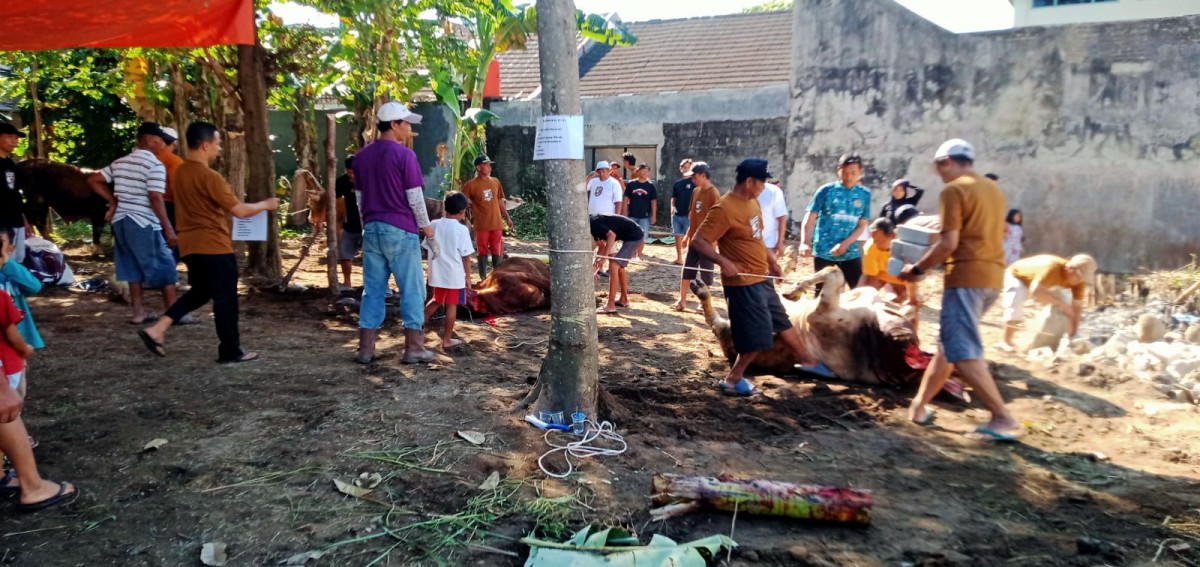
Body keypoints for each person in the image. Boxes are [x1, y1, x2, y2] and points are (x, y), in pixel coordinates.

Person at [900, 139, 1018, 441]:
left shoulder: (954, 190)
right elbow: (1001, 231)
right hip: (992, 277)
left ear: (948, 161)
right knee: (947, 346)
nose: (938, 173)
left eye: (939, 166)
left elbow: (949, 243)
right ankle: (919, 407)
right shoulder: (992, 190)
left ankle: (1002, 417)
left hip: (966, 277)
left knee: (962, 352)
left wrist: (916, 270)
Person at [136, 122, 278, 363]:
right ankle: (231, 351)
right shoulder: (209, 177)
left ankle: (157, 329)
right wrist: (266, 204)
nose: (219, 148)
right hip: (214, 246)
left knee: (200, 293)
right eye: (217, 143)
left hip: (190, 246)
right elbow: (239, 211)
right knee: (226, 300)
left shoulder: (180, 172)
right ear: (205, 145)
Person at [691, 159, 820, 396]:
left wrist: (772, 263)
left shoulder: (753, 203)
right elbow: (698, 240)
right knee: (758, 336)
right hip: (742, 284)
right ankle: (732, 379)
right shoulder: (724, 208)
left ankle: (809, 360)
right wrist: (724, 262)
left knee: (781, 320)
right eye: (762, 182)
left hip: (761, 277)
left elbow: (758, 238)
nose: (765, 186)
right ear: (749, 181)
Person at [352, 101, 438, 364]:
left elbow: (359, 199)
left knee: (373, 289)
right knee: (412, 289)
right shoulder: (405, 156)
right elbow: (415, 199)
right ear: (393, 125)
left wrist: (368, 226)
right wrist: (429, 233)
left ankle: (366, 349)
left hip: (372, 229)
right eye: (405, 123)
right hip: (401, 230)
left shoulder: (360, 158)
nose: (409, 128)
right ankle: (413, 348)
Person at [0, 237, 77, 512]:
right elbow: (11, 333)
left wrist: (8, 264)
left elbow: (33, 285)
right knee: (9, 416)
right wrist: (25, 349)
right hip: (8, 364)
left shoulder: (7, 278)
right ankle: (33, 487)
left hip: (9, 361)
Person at [88, 122, 179, 324]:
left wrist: (113, 201)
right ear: (148, 140)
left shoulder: (120, 162)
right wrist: (168, 228)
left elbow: (94, 179)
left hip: (121, 221)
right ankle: (173, 313)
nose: (163, 145)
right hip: (143, 221)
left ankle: (138, 313)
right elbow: (155, 197)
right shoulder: (154, 165)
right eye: (160, 141)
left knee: (130, 266)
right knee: (166, 264)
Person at [800, 153, 871, 292]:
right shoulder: (825, 191)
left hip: (850, 252)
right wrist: (804, 242)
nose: (849, 177)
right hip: (824, 251)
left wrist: (845, 244)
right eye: (845, 172)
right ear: (838, 169)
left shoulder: (865, 194)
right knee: (822, 293)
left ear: (860, 172)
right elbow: (809, 219)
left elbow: (861, 225)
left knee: (857, 292)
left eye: (853, 173)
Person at [1000, 254, 1096, 351]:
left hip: (1043, 284)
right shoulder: (1051, 268)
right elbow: (1035, 291)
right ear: (1070, 268)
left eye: (1083, 278)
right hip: (1018, 276)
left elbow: (1076, 308)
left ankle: (1065, 339)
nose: (1080, 280)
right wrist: (1062, 305)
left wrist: (1073, 333)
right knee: (1015, 304)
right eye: (1079, 276)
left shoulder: (1079, 282)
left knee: (1067, 306)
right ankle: (1006, 342)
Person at [423, 192, 475, 350]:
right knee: (452, 305)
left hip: (438, 273)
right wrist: (468, 277)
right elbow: (466, 257)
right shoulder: (462, 230)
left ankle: (416, 330)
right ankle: (446, 340)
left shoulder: (433, 224)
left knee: (436, 300)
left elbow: (427, 247)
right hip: (454, 275)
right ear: (462, 211)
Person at [0, 227, 42, 397]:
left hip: (17, 343)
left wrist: (6, 263)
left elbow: (35, 286)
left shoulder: (12, 271)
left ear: (10, 248)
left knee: (17, 390)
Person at [672, 162, 719, 311]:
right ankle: (682, 300)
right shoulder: (696, 191)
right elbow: (692, 215)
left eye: (695, 176)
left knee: (706, 272)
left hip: (706, 240)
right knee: (687, 269)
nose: (693, 180)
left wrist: (714, 241)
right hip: (694, 239)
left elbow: (718, 220)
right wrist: (687, 235)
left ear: (703, 175)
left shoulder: (714, 193)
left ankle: (704, 302)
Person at [460, 155, 513, 280]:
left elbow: (500, 201)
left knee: (497, 250)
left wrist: (507, 217)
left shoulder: (495, 181)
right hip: (481, 225)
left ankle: (497, 277)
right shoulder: (471, 185)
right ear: (479, 167)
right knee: (482, 251)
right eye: (486, 164)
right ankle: (483, 278)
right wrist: (471, 206)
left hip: (497, 223)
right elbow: (460, 200)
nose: (489, 166)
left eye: (489, 164)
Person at [591, 214, 644, 314]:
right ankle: (624, 299)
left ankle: (610, 305)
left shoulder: (594, 223)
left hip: (634, 236)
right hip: (630, 236)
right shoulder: (592, 226)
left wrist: (604, 258)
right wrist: (596, 265)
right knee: (619, 267)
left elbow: (612, 235)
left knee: (614, 265)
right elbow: (601, 246)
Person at [858, 218, 916, 304]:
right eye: (873, 239)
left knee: (904, 302)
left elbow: (912, 275)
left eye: (879, 240)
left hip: (900, 278)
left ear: (892, 236)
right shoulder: (870, 247)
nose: (876, 243)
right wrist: (870, 299)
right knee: (861, 295)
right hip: (880, 276)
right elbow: (872, 278)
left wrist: (911, 297)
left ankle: (895, 290)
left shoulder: (906, 247)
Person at [0, 123, 34, 264]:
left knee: (17, 259)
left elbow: (14, 192)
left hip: (15, 219)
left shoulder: (11, 164)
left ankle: (12, 286)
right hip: (1, 221)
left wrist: (24, 219)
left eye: (16, 137)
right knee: (3, 259)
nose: (14, 141)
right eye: (9, 137)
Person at [155, 126, 185, 264]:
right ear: (175, 143)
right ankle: (167, 280)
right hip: (168, 207)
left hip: (149, 205)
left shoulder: (150, 158)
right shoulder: (174, 161)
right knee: (171, 245)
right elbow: (176, 188)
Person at [336, 155, 362, 290]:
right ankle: (347, 283)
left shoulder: (370, 180)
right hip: (349, 225)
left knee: (375, 257)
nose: (351, 175)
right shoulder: (341, 182)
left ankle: (382, 285)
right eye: (349, 172)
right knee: (345, 255)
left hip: (368, 225)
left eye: (354, 172)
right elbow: (333, 200)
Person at [623, 164, 657, 260]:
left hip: (645, 216)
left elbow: (653, 201)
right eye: (643, 171)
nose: (645, 173)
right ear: (638, 171)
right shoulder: (631, 184)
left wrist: (654, 215)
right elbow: (626, 198)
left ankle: (639, 254)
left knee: (643, 236)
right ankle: (629, 253)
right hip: (632, 215)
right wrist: (625, 212)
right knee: (629, 235)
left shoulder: (650, 186)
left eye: (647, 171)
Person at [669, 158, 694, 265]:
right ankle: (679, 258)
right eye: (684, 167)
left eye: (688, 167)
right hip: (677, 214)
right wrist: (672, 208)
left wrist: (692, 212)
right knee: (677, 236)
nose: (686, 169)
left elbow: (697, 199)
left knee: (690, 238)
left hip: (689, 215)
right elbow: (673, 197)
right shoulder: (677, 183)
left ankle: (689, 260)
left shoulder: (694, 182)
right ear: (681, 169)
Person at [758, 179, 789, 257]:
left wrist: (780, 242)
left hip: (767, 244)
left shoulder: (774, 191)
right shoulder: (740, 190)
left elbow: (781, 218)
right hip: (743, 245)